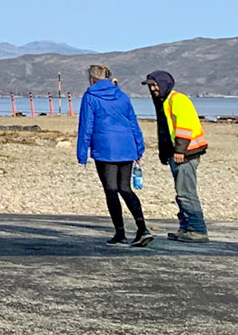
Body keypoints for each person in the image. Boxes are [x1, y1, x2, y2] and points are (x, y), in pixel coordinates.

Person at [76, 64, 152, 247]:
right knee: (125, 188)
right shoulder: (122, 95)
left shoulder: (90, 96)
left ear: (91, 79)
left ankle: (120, 232)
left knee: (111, 190)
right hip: (126, 146)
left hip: (105, 148)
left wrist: (82, 153)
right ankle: (142, 228)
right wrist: (139, 148)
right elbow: (133, 122)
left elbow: (86, 126)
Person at [145, 70, 210, 242]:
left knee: (186, 193)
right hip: (178, 154)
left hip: (187, 153)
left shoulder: (177, 100)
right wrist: (165, 153)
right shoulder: (165, 102)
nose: (152, 89)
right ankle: (186, 227)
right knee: (181, 192)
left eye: (154, 85)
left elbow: (184, 127)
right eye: (151, 86)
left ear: (164, 84)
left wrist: (180, 151)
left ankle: (197, 229)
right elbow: (166, 131)